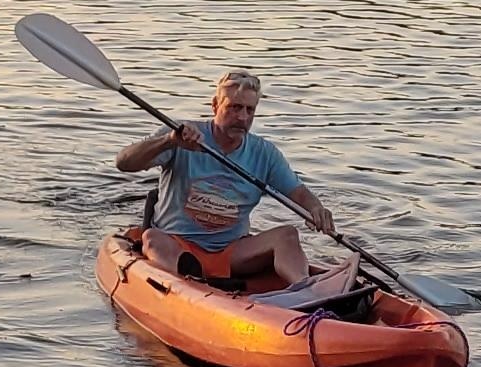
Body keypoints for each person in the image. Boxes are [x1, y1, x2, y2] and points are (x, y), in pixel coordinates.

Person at [119, 66, 336, 288]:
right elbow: (124, 162)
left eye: (249, 110)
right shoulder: (182, 134)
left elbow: (298, 192)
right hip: (175, 243)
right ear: (215, 105)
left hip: (231, 252)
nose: (242, 117)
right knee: (153, 239)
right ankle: (185, 286)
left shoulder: (264, 153)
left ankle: (307, 289)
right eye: (234, 107)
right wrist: (169, 141)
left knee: (287, 235)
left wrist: (316, 208)